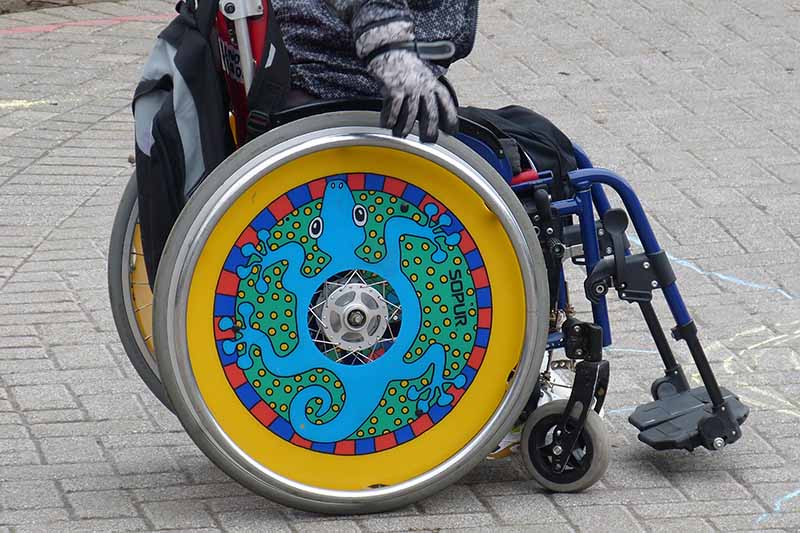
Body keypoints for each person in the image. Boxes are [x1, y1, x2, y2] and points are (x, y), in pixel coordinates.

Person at [269, 0, 577, 458]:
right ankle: (522, 378)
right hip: (350, 89)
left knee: (540, 137)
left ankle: (539, 350)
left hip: (334, 76)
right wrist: (394, 56)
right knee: (528, 175)